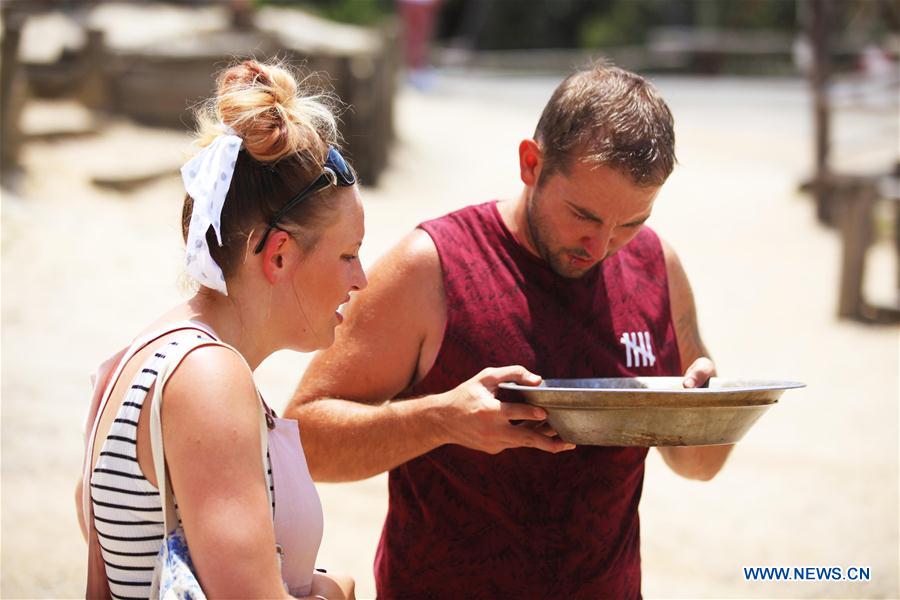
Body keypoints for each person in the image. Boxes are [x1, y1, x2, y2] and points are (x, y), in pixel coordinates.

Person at [286, 61, 734, 598]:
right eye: (584, 216)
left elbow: (699, 465)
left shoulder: (656, 265)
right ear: (531, 163)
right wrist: (439, 420)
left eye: (630, 223)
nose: (603, 246)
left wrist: (709, 412)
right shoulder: (433, 266)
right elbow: (302, 439)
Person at [76, 59, 362, 599]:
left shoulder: (140, 356)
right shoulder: (207, 378)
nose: (360, 279)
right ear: (278, 255)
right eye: (348, 254)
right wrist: (334, 591)